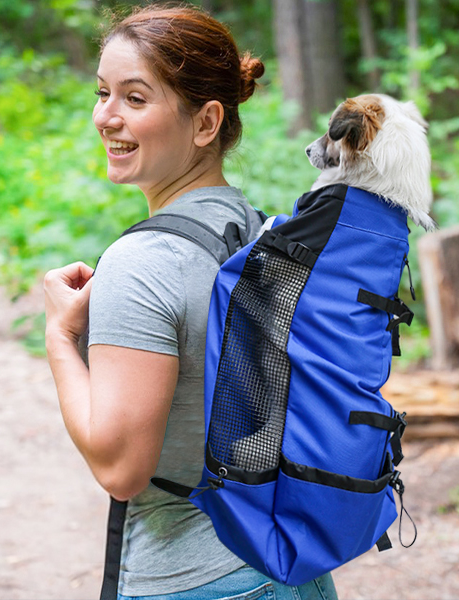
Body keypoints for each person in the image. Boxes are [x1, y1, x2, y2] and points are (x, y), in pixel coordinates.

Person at [40, 6, 338, 600]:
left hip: (197, 581)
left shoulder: (143, 263)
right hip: (292, 570)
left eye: (135, 98)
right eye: (102, 93)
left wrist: (59, 339)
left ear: (205, 122)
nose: (106, 116)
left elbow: (121, 470)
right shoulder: (257, 232)